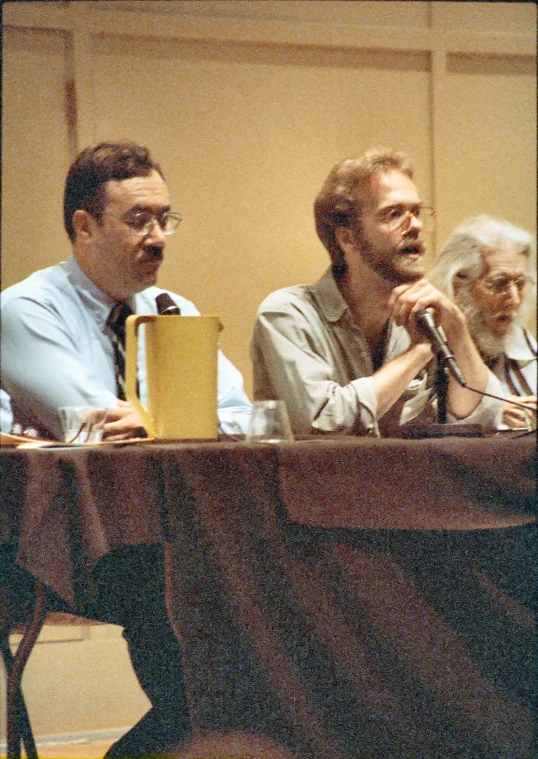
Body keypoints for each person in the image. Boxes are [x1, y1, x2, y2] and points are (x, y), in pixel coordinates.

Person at [1, 141, 252, 757]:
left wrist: (153, 420)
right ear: (84, 227)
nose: (159, 236)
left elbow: (240, 420)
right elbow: (92, 430)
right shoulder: (25, 309)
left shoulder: (174, 310)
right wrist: (174, 419)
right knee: (189, 603)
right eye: (138, 219)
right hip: (50, 540)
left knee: (249, 585)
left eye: (165, 218)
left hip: (158, 532)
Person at [251, 149, 503, 436]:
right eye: (394, 214)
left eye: (416, 212)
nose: (416, 226)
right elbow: (322, 424)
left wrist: (457, 328)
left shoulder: (424, 316)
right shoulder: (288, 314)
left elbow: (482, 418)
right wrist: (417, 352)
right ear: (347, 238)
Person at [428, 215, 536, 429]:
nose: (514, 300)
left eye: (520, 283)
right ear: (457, 284)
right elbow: (408, 420)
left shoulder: (516, 336)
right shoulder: (424, 337)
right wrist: (490, 409)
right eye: (499, 284)